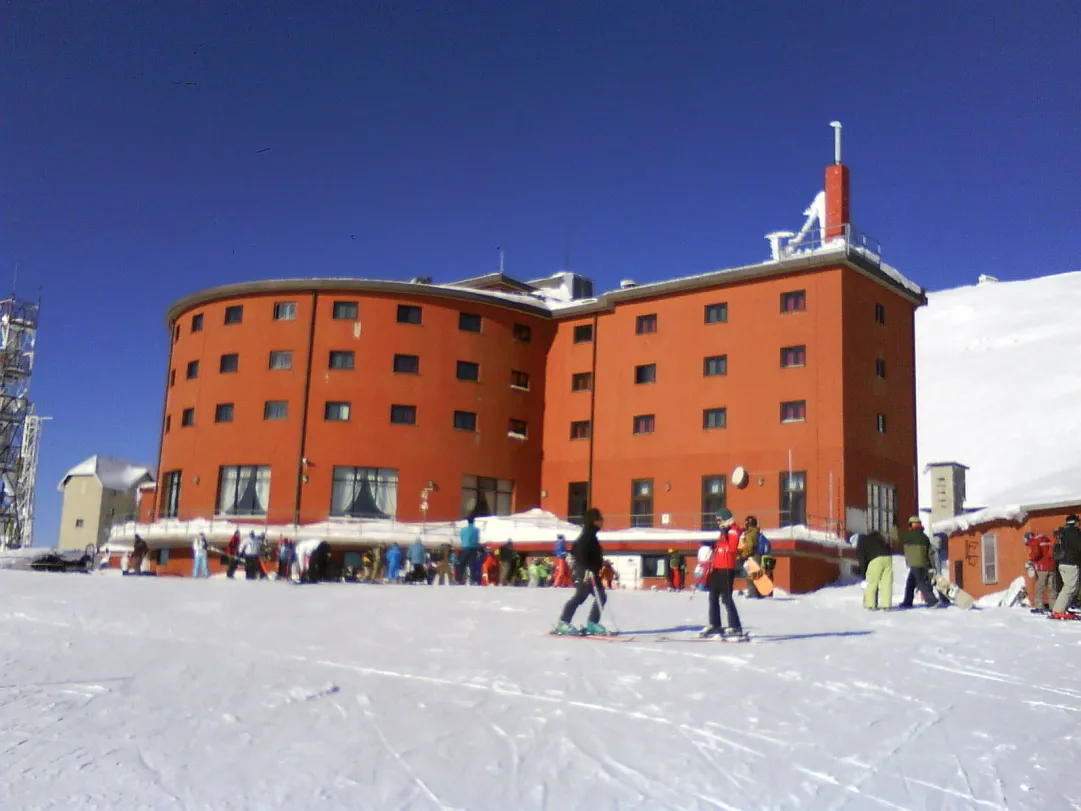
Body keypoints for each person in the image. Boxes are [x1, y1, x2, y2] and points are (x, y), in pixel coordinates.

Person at [553, 508, 608, 635]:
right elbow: (579, 553)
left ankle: (592, 623)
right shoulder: (587, 536)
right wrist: (586, 568)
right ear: (594, 521)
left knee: (601, 596)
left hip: (592, 571)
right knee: (580, 597)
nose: (602, 521)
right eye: (600, 518)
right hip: (585, 572)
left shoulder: (591, 536)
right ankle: (563, 622)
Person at [700, 508, 744, 638]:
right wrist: (714, 546)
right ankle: (715, 624)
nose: (718, 522)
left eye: (720, 519)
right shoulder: (724, 531)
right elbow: (721, 546)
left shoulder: (733, 530)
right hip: (717, 567)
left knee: (726, 598)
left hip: (726, 568)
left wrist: (722, 541)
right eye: (717, 520)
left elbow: (731, 549)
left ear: (726, 519)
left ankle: (735, 626)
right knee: (713, 596)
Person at [898, 516, 949, 608]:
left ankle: (932, 601)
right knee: (910, 583)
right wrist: (932, 566)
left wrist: (895, 526)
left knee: (921, 584)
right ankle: (907, 601)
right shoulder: (925, 537)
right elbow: (930, 553)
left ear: (912, 525)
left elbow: (898, 536)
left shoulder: (909, 535)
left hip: (916, 564)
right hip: (922, 564)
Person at [1050, 515, 1081, 620]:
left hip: (1062, 563)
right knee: (1069, 587)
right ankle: (1058, 611)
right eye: (1078, 522)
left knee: (1072, 587)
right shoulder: (1074, 533)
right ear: (1074, 522)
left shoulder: (1063, 533)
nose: (1079, 524)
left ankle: (1062, 609)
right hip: (1070, 563)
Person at [856, 530, 893, 610]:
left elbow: (862, 560)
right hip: (888, 558)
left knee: (872, 583)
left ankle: (870, 604)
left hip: (876, 559)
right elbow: (888, 547)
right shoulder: (879, 538)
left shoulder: (862, 543)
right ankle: (886, 605)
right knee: (886, 583)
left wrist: (864, 574)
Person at [1024, 531, 1058, 613]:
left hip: (1042, 567)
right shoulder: (1046, 539)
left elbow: (1036, 553)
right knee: (1052, 588)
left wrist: (1031, 559)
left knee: (1039, 587)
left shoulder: (1034, 541)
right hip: (1052, 566)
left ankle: (1039, 606)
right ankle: (1054, 607)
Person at [459, 517, 481, 584]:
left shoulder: (463, 530)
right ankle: (472, 580)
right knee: (472, 564)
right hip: (473, 548)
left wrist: (464, 543)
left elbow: (461, 538)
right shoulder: (477, 530)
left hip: (465, 548)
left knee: (462, 564)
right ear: (474, 522)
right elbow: (477, 539)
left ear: (467, 522)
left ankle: (460, 579)